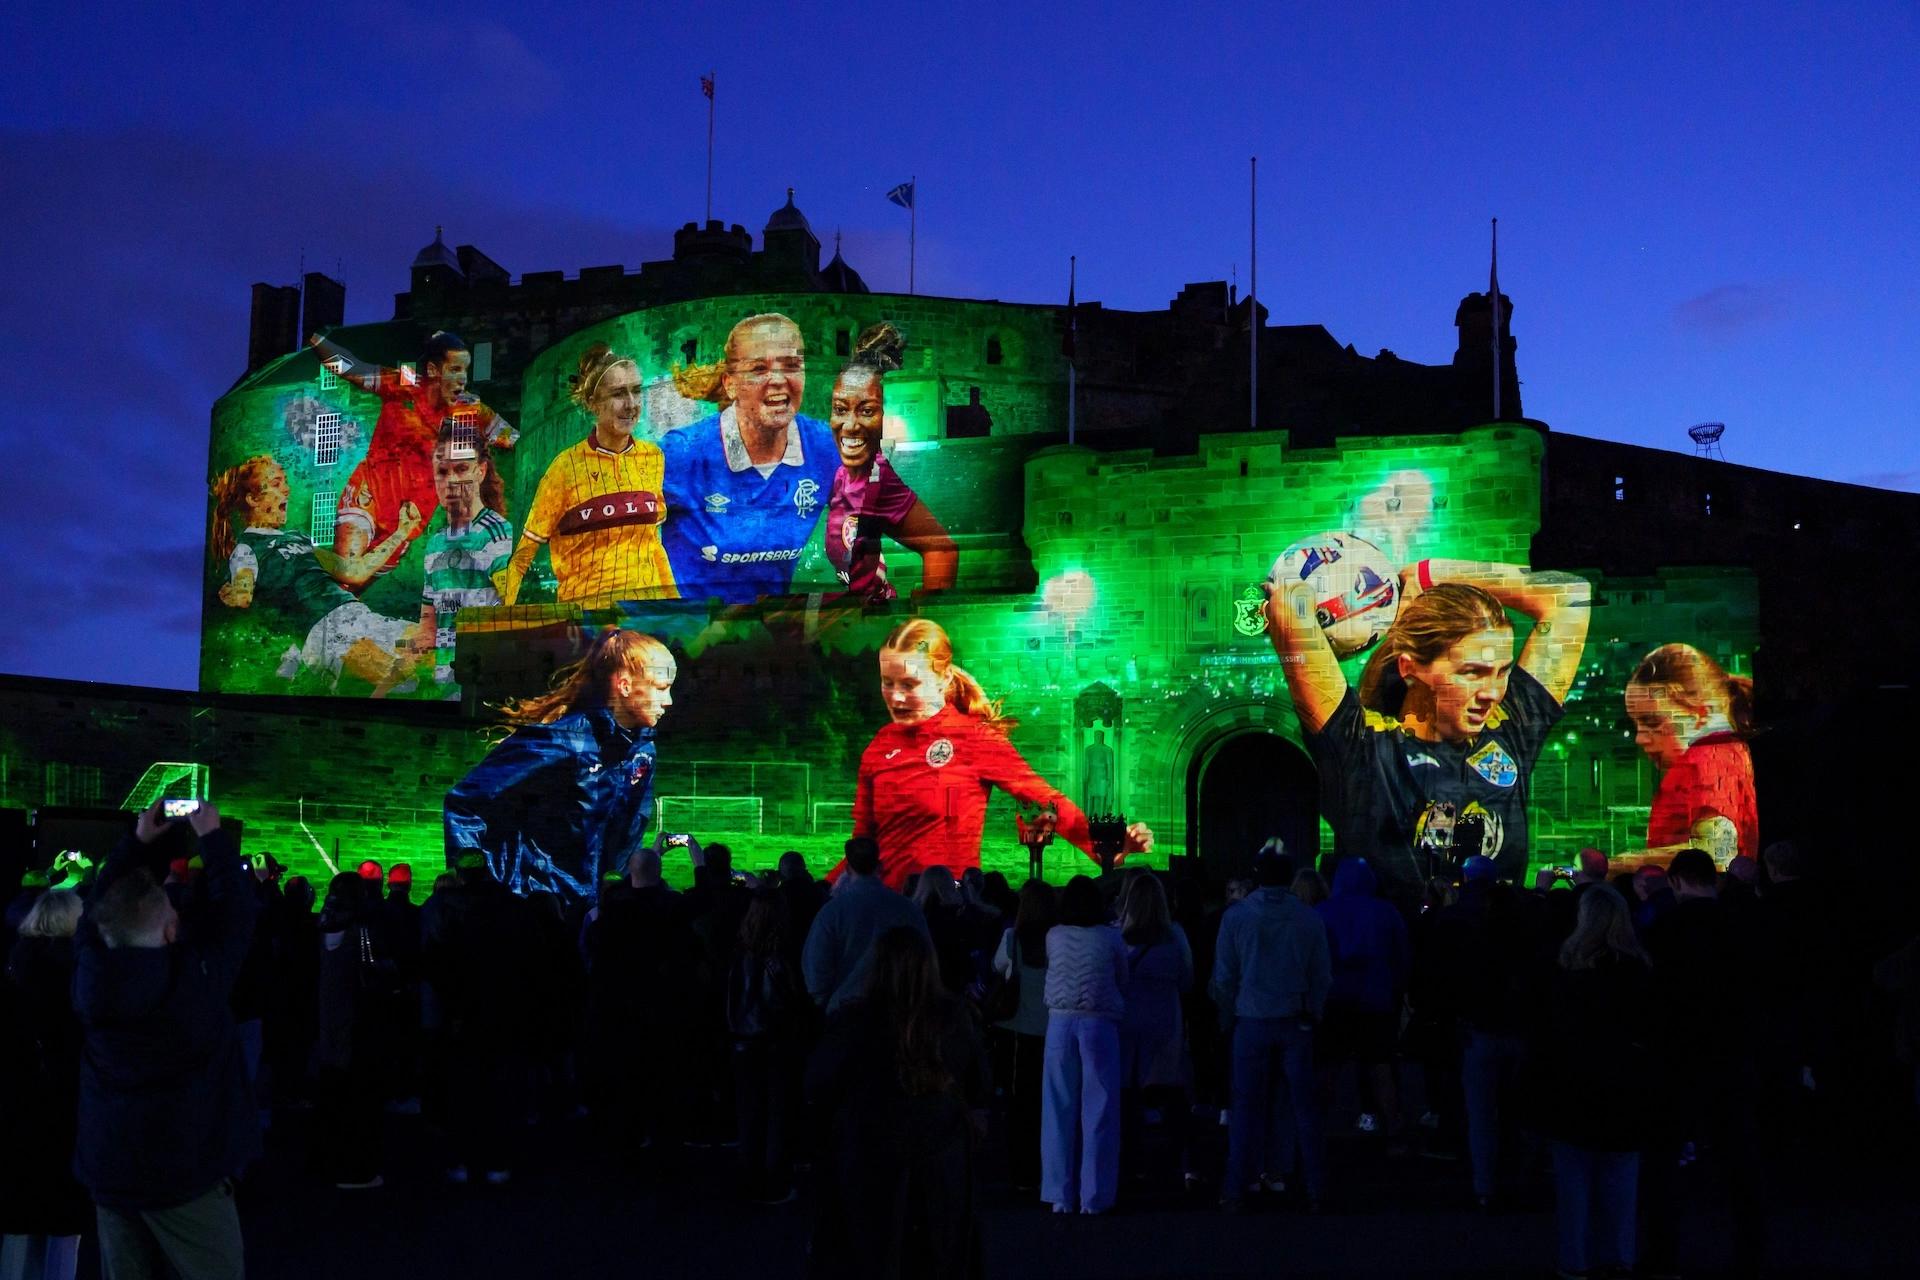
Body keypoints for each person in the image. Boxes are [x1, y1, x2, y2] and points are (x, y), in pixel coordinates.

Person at [1266, 557, 1590, 903]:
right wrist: (1348, 595)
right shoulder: (1362, 748)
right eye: (1472, 672)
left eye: (1502, 671)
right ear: (1410, 669)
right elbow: (1290, 604)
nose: (1494, 692)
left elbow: (1570, 594)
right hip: (1401, 953)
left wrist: (1429, 574)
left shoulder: (1511, 733)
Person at [72, 802, 256, 1280]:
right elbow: (237, 918)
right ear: (172, 929)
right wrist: (212, 838)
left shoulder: (89, 978)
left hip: (110, 1165)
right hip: (184, 1171)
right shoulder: (194, 987)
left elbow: (95, 913)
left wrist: (135, 844)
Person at [844, 619, 1152, 890]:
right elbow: (863, 840)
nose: (896, 696)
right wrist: (830, 891)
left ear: (944, 680)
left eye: (909, 684)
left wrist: (1106, 849)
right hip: (885, 912)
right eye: (887, 683)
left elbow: (1043, 798)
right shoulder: (880, 746)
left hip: (951, 911)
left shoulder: (973, 739)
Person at [444, 629, 675, 916]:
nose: (669, 701)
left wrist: (621, 897)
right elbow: (464, 804)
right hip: (535, 910)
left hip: (595, 911)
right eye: (661, 687)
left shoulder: (643, 754)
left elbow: (630, 833)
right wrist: (476, 894)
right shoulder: (561, 741)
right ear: (625, 685)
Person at [806, 926, 989, 1279]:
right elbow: (978, 1083)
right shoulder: (953, 1017)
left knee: (871, 1252)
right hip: (939, 1158)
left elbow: (817, 1082)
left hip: (870, 1155)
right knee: (937, 1255)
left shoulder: (853, 1021)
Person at [307, 328, 516, 580]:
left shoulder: (470, 409)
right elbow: (353, 369)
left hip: (408, 521)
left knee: (349, 590)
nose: (463, 379)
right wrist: (317, 340)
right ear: (432, 371)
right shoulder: (404, 383)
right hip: (369, 495)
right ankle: (299, 558)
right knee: (347, 572)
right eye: (455, 370)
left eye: (465, 371)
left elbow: (511, 436)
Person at [209, 455, 428, 692]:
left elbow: (355, 571)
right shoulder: (248, 547)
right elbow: (243, 590)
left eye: (285, 481)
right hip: (324, 631)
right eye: (275, 484)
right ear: (253, 499)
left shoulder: (298, 539)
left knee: (431, 652)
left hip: (358, 615)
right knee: (401, 681)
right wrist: (235, 594)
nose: (286, 490)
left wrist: (402, 531)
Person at [660, 313, 839, 602]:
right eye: (759, 368)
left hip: (776, 635)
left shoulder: (824, 446)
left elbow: (907, 523)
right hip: (692, 639)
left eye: (792, 365)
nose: (779, 380)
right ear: (730, 384)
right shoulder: (682, 453)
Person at [1536, 885, 1655, 1280]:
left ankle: (1577, 1261)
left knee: (1574, 1186)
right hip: (1625, 1088)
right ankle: (1619, 1257)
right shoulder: (1638, 971)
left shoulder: (1567, 971)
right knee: (1621, 1182)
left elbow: (1551, 1035)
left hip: (1573, 1088)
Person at [498, 343, 675, 606]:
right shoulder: (565, 468)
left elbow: (653, 544)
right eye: (618, 394)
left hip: (647, 615)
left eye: (636, 391)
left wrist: (677, 608)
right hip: (587, 621)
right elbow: (524, 554)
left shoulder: (653, 458)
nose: (631, 404)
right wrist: (496, 618)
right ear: (593, 403)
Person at [1211, 849, 1332, 1212]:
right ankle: (1315, 1188)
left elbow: (1224, 976)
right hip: (1295, 1019)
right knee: (1303, 1108)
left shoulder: (1237, 917)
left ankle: (1235, 1188)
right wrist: (1314, 1011)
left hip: (1250, 1019)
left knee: (1245, 1106)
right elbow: (1321, 975)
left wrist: (1226, 1017)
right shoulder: (1308, 919)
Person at [822, 323, 957, 602]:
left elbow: (942, 550)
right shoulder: (825, 466)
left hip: (863, 630)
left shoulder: (876, 474)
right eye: (840, 409)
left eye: (868, 410)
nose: (851, 425)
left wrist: (927, 614)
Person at [3, 890, 88, 1280]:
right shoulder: (76, 973)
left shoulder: (14, 964)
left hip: (19, 1106)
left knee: (20, 1215)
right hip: (64, 1106)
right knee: (64, 1218)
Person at [1615, 643, 1758, 870]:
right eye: (1637, 725)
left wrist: (1618, 866)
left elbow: (1717, 852)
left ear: (1701, 714)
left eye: (1652, 722)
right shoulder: (1725, 752)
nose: (1640, 738)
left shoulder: (1710, 756)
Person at [1040, 876, 1129, 1216]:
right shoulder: (1110, 938)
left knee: (1057, 1109)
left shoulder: (1054, 935)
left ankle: (1059, 1195)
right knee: (1100, 1109)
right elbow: (1122, 978)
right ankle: (1095, 1196)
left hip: (1059, 1022)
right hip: (1099, 1022)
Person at [410, 424, 512, 693]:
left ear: (481, 471)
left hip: (485, 685)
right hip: (445, 685)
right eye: (442, 472)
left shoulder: (497, 535)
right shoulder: (435, 544)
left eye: (461, 469)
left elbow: (515, 612)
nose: (451, 481)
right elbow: (428, 624)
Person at [1315, 858, 1411, 1145]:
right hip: (1377, 1001)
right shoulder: (1387, 912)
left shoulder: (1323, 912)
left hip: (1334, 1000)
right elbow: (1403, 958)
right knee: (1380, 1067)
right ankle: (1393, 1128)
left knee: (1328, 1067)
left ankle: (1312, 1133)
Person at [1116, 873, 1196, 1191]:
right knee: (1171, 1094)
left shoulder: (1118, 936)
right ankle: (1181, 1166)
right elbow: (1187, 978)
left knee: (1128, 1096)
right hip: (1165, 1020)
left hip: (1127, 1021)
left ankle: (1131, 1164)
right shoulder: (1175, 936)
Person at [725, 889, 806, 1203]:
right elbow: (793, 1000)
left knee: (750, 1112)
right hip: (777, 1043)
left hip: (744, 1042)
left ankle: (750, 1178)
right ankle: (774, 1183)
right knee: (778, 1114)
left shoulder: (738, 952)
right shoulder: (784, 955)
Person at [801, 837, 928, 1013]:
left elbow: (816, 967)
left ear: (847, 869)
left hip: (845, 1009)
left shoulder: (832, 911)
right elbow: (925, 958)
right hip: (898, 1009)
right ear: (880, 866)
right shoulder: (907, 909)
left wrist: (828, 1002)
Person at [990, 879, 1056, 1192]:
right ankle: (1047, 1166)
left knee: (1019, 1105)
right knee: (1050, 1102)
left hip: (1016, 1030)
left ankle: (1021, 1172)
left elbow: (997, 967)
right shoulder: (1058, 939)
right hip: (1051, 1029)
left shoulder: (1011, 937)